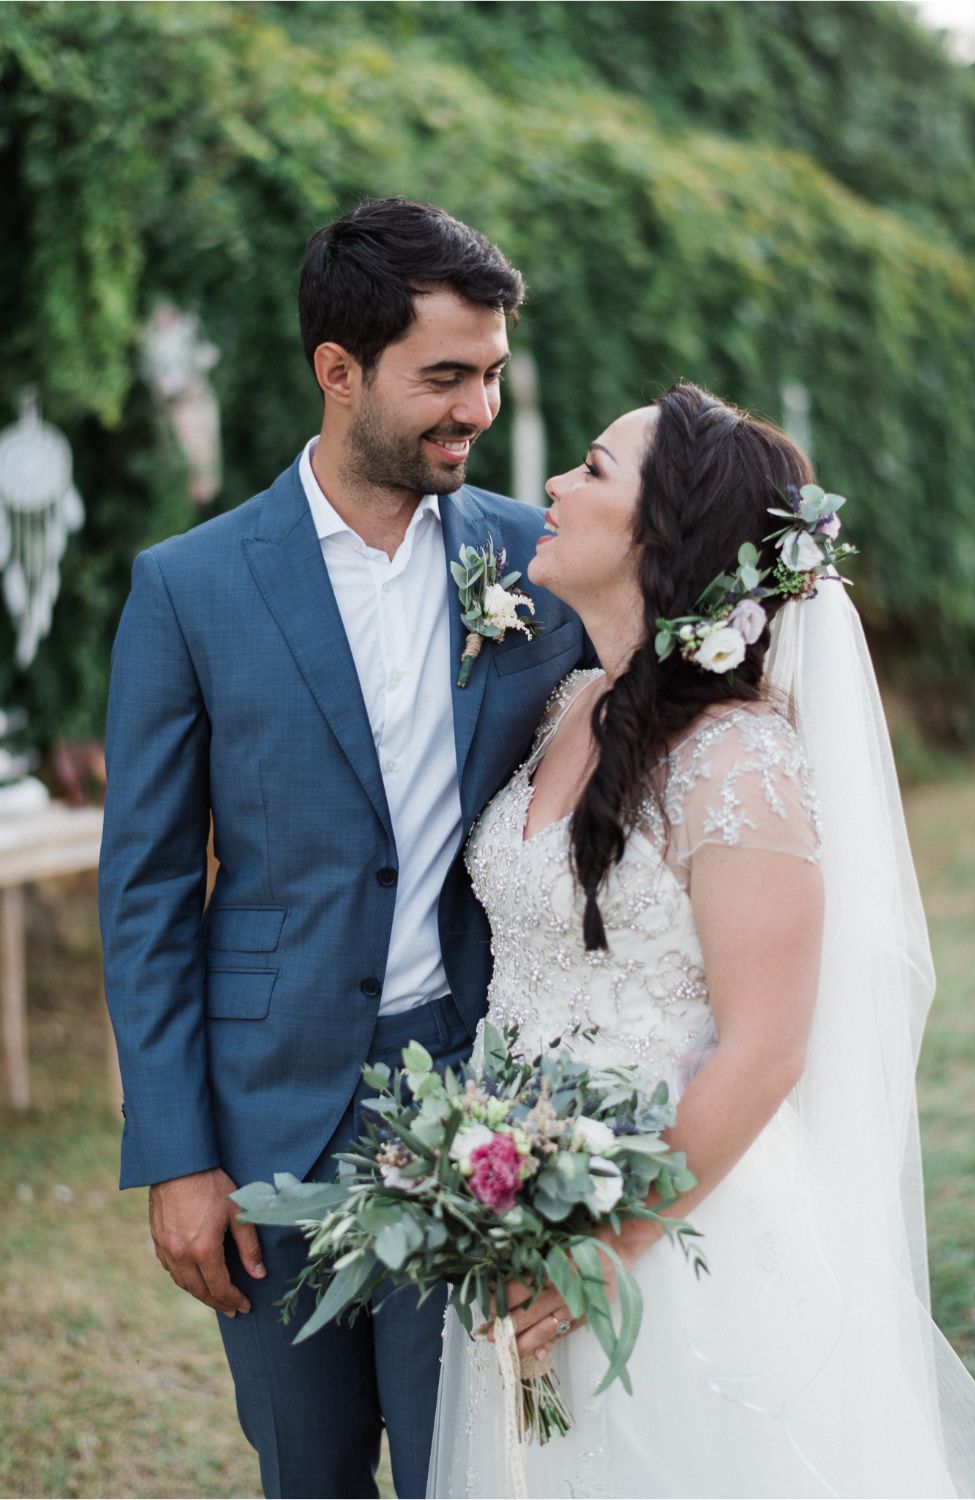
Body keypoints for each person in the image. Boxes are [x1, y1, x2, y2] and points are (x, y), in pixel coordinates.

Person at [99, 197, 593, 1500]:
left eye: (489, 374)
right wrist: (176, 1155)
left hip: (484, 1107)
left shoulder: (534, 561)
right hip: (267, 1119)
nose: (476, 410)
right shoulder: (187, 585)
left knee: (466, 1464)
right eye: (443, 376)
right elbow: (145, 889)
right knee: (307, 1471)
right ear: (338, 371)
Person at [427, 382, 975, 1498]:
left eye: (591, 469)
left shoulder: (739, 762)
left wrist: (607, 1242)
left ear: (662, 533)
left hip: (677, 1238)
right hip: (513, 1203)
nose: (549, 485)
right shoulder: (573, 707)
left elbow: (766, 1047)